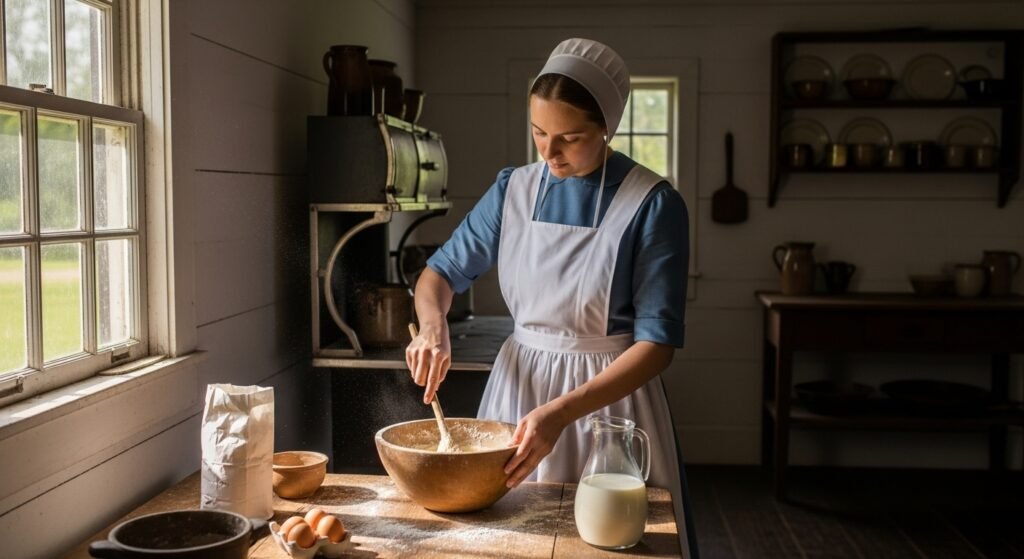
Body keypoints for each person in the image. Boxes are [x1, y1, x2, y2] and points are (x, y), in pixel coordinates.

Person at [406, 38, 696, 557]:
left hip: (608, 408)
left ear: (608, 127)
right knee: (509, 537)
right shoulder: (513, 189)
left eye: (570, 137)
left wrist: (562, 413)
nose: (548, 151)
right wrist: (433, 327)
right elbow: (438, 276)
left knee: (610, 542)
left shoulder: (652, 204)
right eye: (539, 132)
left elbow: (657, 345)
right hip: (518, 395)